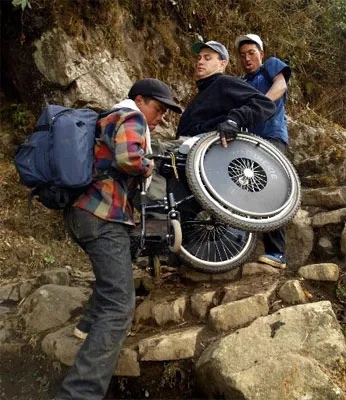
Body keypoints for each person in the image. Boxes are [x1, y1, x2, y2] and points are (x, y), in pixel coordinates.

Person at [54, 78, 182, 400]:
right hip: (101, 214)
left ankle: (85, 327)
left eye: (166, 112)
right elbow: (130, 159)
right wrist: (151, 164)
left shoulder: (109, 117)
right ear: (140, 99)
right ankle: (78, 394)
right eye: (159, 108)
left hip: (84, 211)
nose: (161, 117)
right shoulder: (132, 116)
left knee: (116, 272)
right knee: (120, 306)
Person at [234, 33, 291, 269]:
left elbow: (281, 85)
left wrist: (262, 104)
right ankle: (235, 247)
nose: (247, 58)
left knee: (273, 192)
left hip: (272, 138)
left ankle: (277, 253)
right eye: (243, 55)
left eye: (252, 53)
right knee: (242, 191)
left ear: (261, 54)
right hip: (248, 142)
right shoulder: (241, 83)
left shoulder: (270, 67)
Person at [176, 40, 276, 145]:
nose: (200, 62)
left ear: (222, 64)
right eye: (199, 58)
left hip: (208, 150)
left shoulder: (224, 82)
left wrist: (233, 121)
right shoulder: (201, 93)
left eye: (207, 58)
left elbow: (265, 104)